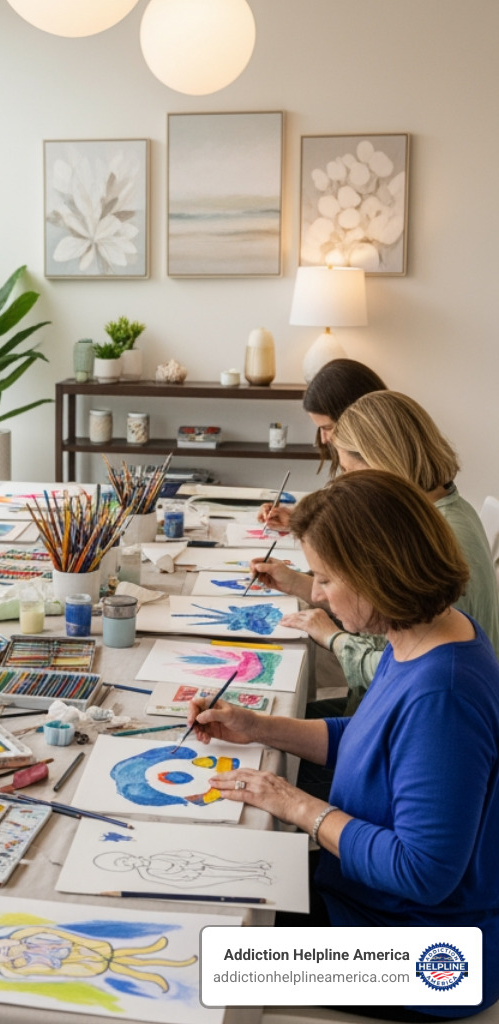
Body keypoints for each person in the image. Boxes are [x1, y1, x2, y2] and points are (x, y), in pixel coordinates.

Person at [193, 470, 499, 1021]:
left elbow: (422, 872)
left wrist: (296, 805)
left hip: (425, 955)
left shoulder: (444, 694)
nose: (315, 593)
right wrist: (258, 727)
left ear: (377, 575)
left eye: (327, 579)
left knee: (200, 958)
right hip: (369, 904)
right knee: (212, 888)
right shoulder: (420, 634)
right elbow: (367, 738)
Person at [252, 391, 499, 712]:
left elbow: (408, 669)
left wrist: (334, 639)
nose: (345, 482)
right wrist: (298, 583)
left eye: (350, 471)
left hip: (408, 714)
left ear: (383, 460)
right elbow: (383, 610)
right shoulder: (430, 510)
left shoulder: (439, 539)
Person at [258, 358, 385, 531]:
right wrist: (298, 518)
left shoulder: (383, 468)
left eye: (327, 427)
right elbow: (349, 510)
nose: (324, 439)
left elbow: (365, 525)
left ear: (357, 418)